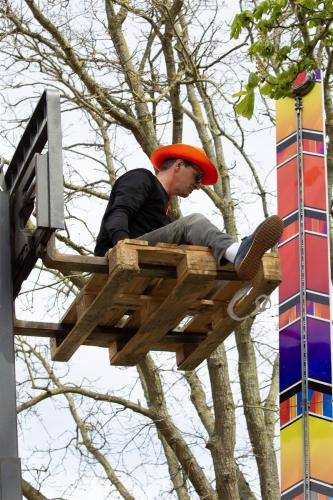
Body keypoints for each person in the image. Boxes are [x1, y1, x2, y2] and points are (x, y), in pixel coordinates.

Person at [94, 144, 284, 281]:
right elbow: (118, 212)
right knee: (193, 222)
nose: (199, 185)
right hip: (118, 256)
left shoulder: (165, 213)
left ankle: (241, 287)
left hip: (147, 264)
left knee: (202, 252)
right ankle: (237, 254)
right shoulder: (142, 178)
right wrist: (122, 246)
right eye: (197, 176)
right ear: (178, 165)